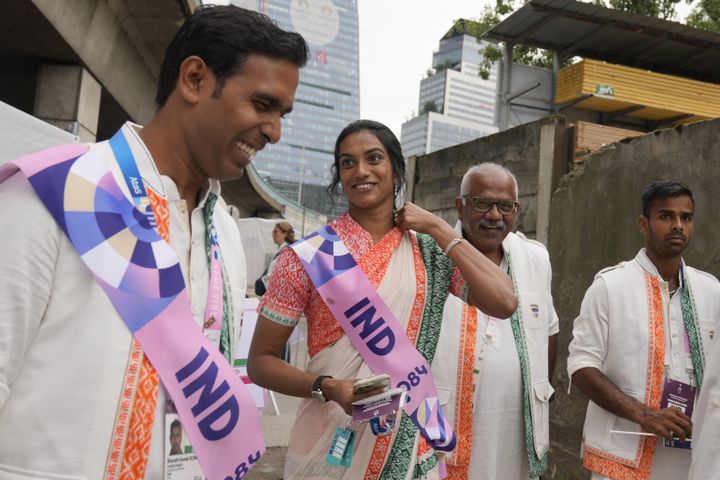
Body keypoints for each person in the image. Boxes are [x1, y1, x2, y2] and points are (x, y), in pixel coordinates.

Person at [0, 5, 307, 479]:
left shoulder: (224, 231)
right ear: (195, 79)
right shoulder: (55, 192)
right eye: (263, 105)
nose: (274, 132)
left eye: (281, 114)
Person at [248, 120, 518, 479]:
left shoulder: (429, 251)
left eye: (373, 158)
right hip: (330, 443)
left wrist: (438, 228)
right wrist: (327, 387)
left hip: (411, 443)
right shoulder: (305, 257)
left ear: (395, 168)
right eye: (347, 162)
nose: (360, 171)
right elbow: (260, 362)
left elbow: (504, 302)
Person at [567, 180, 720, 479]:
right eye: (666, 216)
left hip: (691, 457)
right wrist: (644, 415)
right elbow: (581, 366)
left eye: (685, 218)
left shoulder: (711, 290)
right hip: (623, 452)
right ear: (643, 224)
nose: (677, 225)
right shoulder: (610, 286)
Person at [432, 163, 559, 480]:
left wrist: (539, 387)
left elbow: (549, 330)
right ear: (460, 207)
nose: (494, 215)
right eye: (482, 203)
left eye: (505, 206)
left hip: (515, 429)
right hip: (447, 423)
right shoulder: (430, 253)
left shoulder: (535, 257)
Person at [257, 221, 296, 295]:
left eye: (276, 232)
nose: (273, 234)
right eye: (273, 232)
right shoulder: (282, 250)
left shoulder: (286, 252)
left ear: (284, 234)